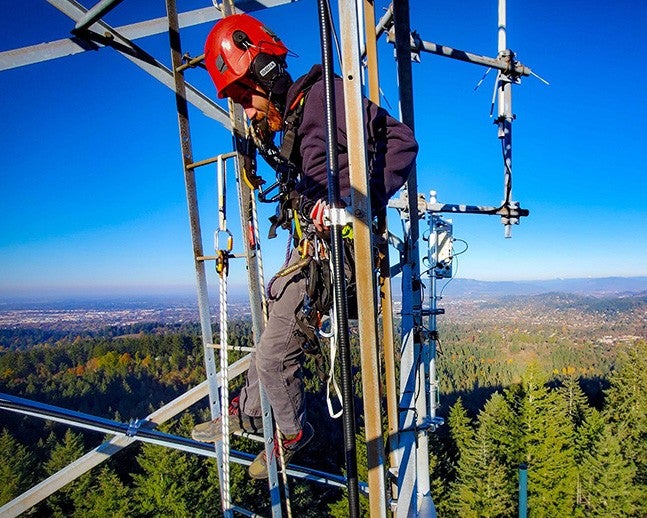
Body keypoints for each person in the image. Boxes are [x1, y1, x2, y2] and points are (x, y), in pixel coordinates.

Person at [191, 13, 418, 480]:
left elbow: (401, 143)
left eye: (244, 97)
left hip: (335, 249)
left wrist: (355, 200)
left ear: (267, 74)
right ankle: (249, 412)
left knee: (274, 356)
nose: (247, 112)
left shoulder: (324, 97)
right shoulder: (295, 119)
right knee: (267, 344)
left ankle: (292, 432)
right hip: (311, 247)